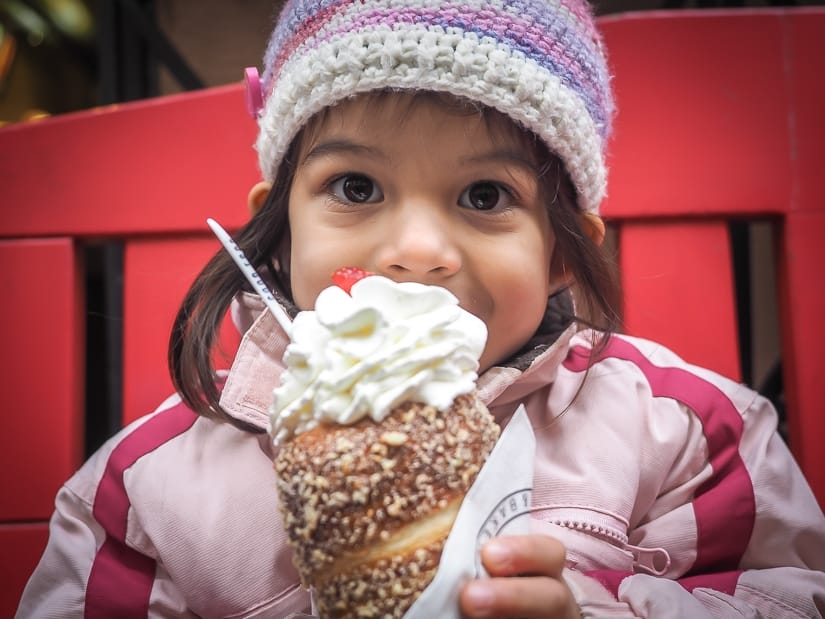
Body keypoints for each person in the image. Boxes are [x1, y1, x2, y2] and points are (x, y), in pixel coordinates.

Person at [17, 0, 825, 617]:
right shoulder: (151, 487)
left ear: (559, 251)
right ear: (281, 220)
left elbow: (793, 592)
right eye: (355, 187)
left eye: (484, 195)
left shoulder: (685, 435)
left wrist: (602, 605)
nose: (415, 247)